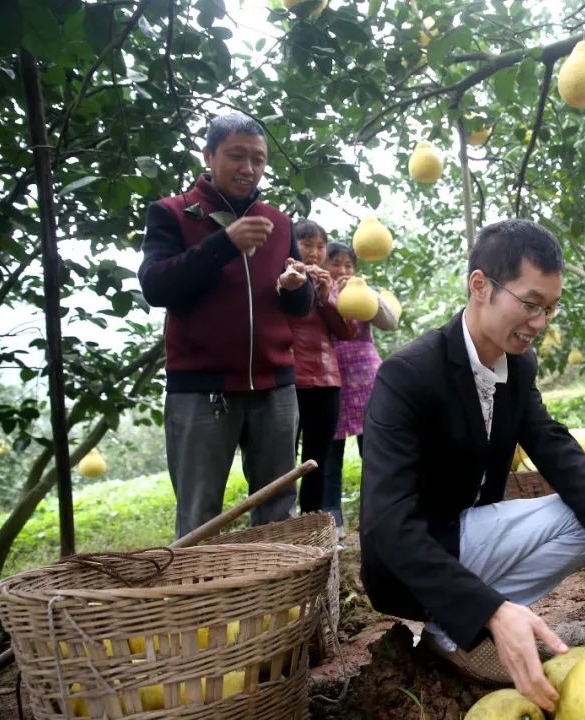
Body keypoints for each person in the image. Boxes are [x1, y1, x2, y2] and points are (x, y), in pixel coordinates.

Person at [359, 219, 585, 712]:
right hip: (410, 560)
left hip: (469, 534)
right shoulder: (408, 375)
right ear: (480, 286)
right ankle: (459, 622)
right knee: (492, 594)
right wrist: (492, 610)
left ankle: (464, 617)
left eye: (550, 308)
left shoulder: (517, 366)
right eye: (530, 303)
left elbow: (555, 447)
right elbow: (387, 526)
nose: (540, 322)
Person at [139, 111, 314, 539]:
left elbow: (301, 308)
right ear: (209, 155)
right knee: (200, 513)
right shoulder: (173, 213)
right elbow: (156, 285)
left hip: (275, 387)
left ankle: (276, 606)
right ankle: (202, 605)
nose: (249, 168)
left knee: (277, 510)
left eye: (258, 158)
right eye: (236, 156)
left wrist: (296, 286)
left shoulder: (280, 222)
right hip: (201, 388)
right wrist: (225, 244)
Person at [321, 242, 398, 540]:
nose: (342, 270)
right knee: (330, 462)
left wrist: (368, 294)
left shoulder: (364, 292)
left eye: (348, 265)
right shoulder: (318, 293)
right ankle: (333, 531)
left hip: (367, 381)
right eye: (335, 263)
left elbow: (390, 322)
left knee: (377, 454)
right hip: (332, 383)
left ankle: (384, 519)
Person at [288, 221, 355, 516]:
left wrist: (327, 296)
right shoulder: (280, 278)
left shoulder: (329, 284)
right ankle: (278, 525)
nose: (314, 253)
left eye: (319, 246)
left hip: (327, 380)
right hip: (288, 379)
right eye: (307, 245)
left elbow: (346, 331)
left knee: (318, 459)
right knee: (282, 461)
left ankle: (312, 526)